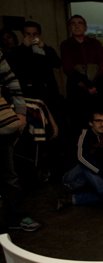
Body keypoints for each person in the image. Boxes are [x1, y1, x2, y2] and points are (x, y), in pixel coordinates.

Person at [0, 51, 40, 232]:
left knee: (8, 174)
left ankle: (17, 216)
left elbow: (12, 80)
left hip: (1, 124)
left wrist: (21, 111)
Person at [58, 109, 103, 210]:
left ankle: (71, 199)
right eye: (98, 121)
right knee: (87, 163)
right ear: (90, 123)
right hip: (73, 180)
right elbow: (81, 156)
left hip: (94, 182)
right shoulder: (85, 134)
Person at [60, 14, 103, 130]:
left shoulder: (95, 43)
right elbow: (68, 68)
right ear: (69, 27)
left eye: (80, 23)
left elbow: (102, 65)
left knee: (96, 121)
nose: (77, 26)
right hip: (77, 89)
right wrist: (86, 86)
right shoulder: (66, 45)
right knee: (78, 122)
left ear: (85, 27)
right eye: (73, 24)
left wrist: (95, 86)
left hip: (96, 88)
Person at [5, 21, 62, 106]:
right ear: (23, 34)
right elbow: (16, 66)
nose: (31, 37)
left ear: (39, 34)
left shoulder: (46, 49)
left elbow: (57, 63)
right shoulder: (17, 51)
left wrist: (44, 48)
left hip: (49, 91)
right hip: (29, 92)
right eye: (28, 34)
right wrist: (25, 47)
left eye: (34, 34)